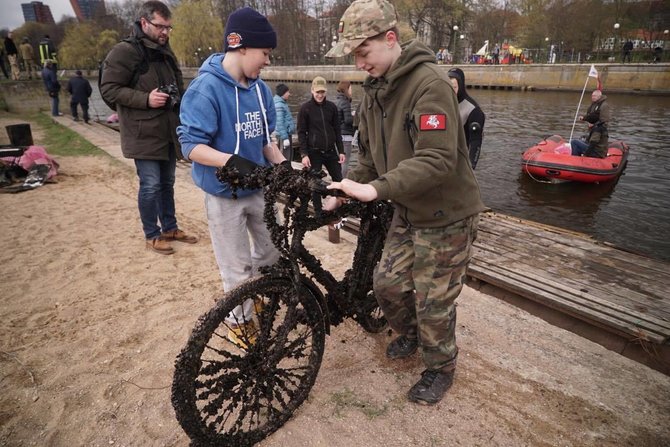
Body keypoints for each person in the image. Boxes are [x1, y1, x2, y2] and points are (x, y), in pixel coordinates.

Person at [324, 0, 485, 405]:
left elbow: (438, 160)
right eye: (354, 56)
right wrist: (345, 187)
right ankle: (411, 334)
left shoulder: (430, 84)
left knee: (433, 301)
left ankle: (440, 367)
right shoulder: (375, 89)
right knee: (388, 286)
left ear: (391, 39)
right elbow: (369, 158)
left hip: (447, 215)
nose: (359, 63)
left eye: (363, 52)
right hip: (409, 209)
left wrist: (377, 189)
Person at [177, 7, 286, 345]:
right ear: (241, 47)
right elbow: (190, 145)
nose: (267, 61)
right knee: (236, 267)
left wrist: (283, 167)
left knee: (274, 248)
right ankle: (242, 323)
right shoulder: (205, 89)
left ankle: (263, 294)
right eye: (264, 53)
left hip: (258, 189)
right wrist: (230, 161)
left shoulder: (261, 90)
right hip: (222, 195)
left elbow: (267, 141)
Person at [100, 1, 197, 255]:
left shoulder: (164, 50)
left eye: (168, 27)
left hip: (166, 131)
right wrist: (145, 99)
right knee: (151, 184)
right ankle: (151, 234)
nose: (165, 32)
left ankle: (170, 227)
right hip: (143, 133)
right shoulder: (124, 51)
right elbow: (109, 90)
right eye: (160, 26)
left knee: (167, 183)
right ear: (144, 23)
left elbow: (176, 85)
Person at [297, 76, 345, 213]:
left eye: (322, 92)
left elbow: (337, 130)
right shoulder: (305, 109)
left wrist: (341, 151)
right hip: (314, 152)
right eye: (317, 92)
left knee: (339, 181)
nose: (320, 95)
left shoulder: (332, 107)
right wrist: (304, 154)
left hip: (331, 151)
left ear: (326, 92)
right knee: (315, 185)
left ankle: (340, 208)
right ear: (312, 91)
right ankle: (318, 212)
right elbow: (301, 133)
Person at [447, 68, 486, 169]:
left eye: (454, 88)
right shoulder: (442, 104)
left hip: (460, 162)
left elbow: (476, 141)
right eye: (448, 87)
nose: (451, 92)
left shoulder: (473, 110)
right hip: (442, 158)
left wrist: (470, 166)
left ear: (460, 86)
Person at [571, 89, 610, 158]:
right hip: (598, 145)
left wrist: (586, 155)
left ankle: (575, 160)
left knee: (574, 142)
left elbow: (593, 143)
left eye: (594, 96)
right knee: (583, 139)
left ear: (599, 96)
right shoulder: (594, 104)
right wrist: (587, 119)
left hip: (597, 152)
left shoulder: (598, 128)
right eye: (592, 96)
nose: (592, 97)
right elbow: (592, 115)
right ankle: (577, 158)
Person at [334, 80, 355, 177]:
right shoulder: (346, 102)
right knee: (345, 162)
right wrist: (354, 116)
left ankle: (337, 179)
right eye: (350, 88)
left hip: (338, 136)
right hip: (346, 136)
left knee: (339, 160)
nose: (351, 90)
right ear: (347, 89)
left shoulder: (337, 101)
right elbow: (348, 121)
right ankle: (342, 182)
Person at [273, 83, 295, 162]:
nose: (289, 94)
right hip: (283, 136)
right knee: (284, 157)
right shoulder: (279, 105)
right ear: (283, 93)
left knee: (288, 156)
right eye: (287, 92)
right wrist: (285, 138)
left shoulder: (283, 103)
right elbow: (279, 123)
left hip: (286, 134)